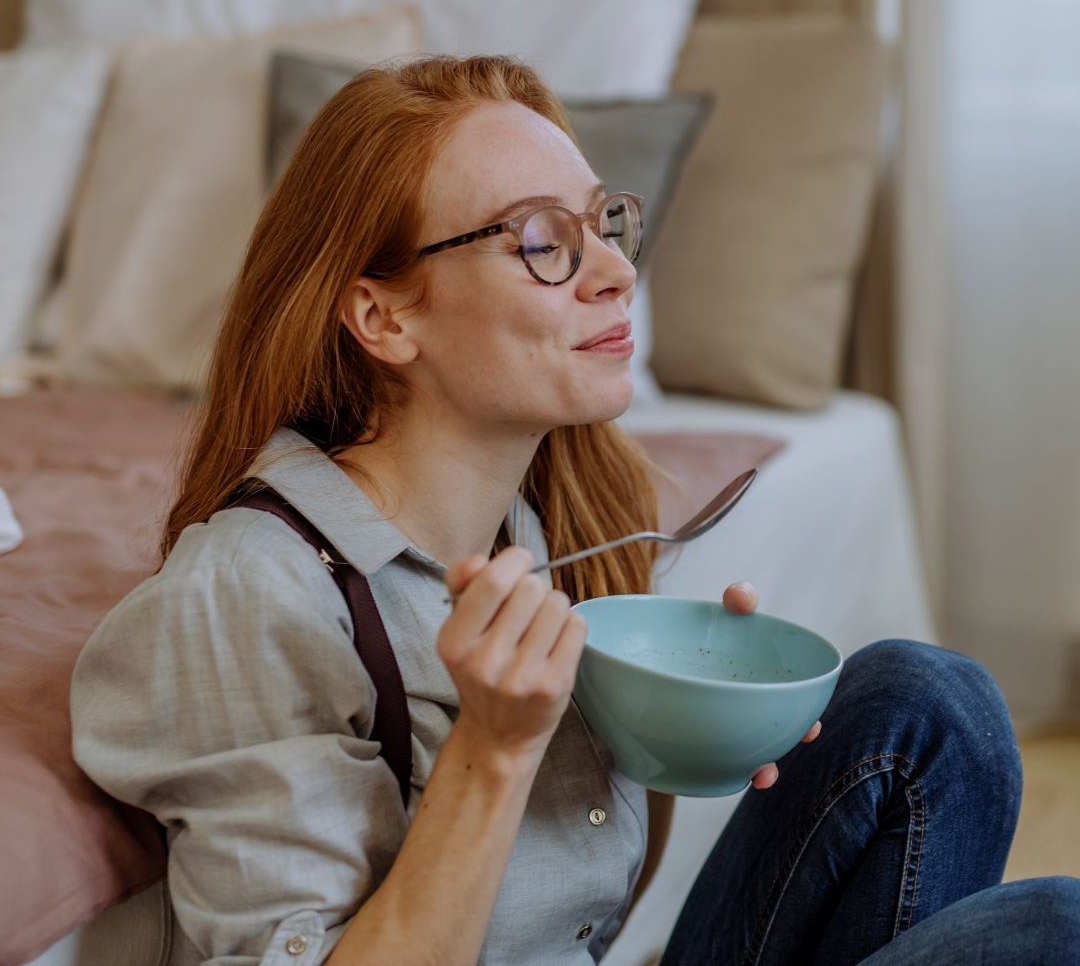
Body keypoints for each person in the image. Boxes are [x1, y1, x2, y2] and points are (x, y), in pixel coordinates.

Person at [71, 55, 1080, 966]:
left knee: (928, 701)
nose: (617, 272)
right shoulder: (249, 593)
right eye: (542, 242)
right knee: (1054, 931)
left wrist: (676, 736)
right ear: (382, 315)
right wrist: (494, 750)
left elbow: (582, 921)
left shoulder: (536, 526)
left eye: (604, 224)